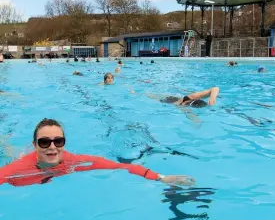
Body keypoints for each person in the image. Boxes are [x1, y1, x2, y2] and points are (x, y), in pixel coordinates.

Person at [0, 118, 194, 187]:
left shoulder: (74, 162)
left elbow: (122, 166)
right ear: (35, 145)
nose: (52, 147)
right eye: (44, 142)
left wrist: (161, 178)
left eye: (58, 141)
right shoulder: (17, 169)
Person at [148, 87, 219, 108]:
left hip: (177, 99)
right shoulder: (192, 96)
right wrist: (212, 97)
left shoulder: (189, 102)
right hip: (171, 101)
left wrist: (212, 97)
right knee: (154, 97)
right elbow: (215, 88)